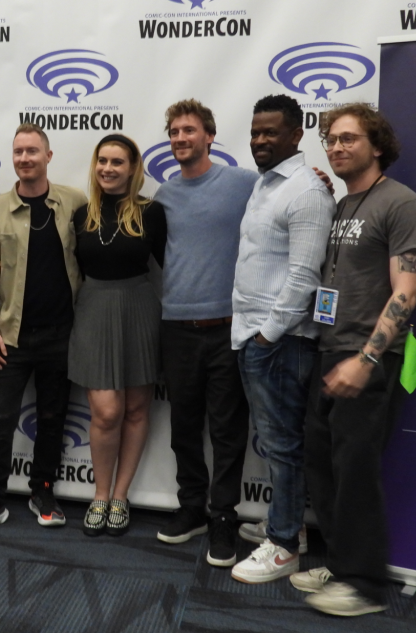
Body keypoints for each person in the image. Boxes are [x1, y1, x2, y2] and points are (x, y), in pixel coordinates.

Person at [294, 104, 416, 617]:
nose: (336, 146)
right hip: (330, 350)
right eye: (330, 139)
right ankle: (340, 562)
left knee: (355, 470)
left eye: (349, 138)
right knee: (323, 465)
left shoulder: (401, 204)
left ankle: (366, 584)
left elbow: (407, 292)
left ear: (378, 146)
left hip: (370, 358)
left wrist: (367, 359)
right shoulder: (344, 204)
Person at [0, 123, 87, 536]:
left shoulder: (75, 203)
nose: (24, 158)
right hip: (9, 336)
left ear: (48, 156)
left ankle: (43, 491)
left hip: (63, 335)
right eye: (18, 152)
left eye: (32, 151)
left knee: (52, 417)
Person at [228, 95, 335, 583]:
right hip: (256, 335)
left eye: (270, 132)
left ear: (296, 134)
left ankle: (285, 545)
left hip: (281, 341)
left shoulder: (306, 191)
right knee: (276, 443)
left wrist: (268, 336)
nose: (259, 141)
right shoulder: (265, 185)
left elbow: (304, 277)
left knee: (283, 444)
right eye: (255, 132)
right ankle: (287, 524)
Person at [152, 99, 257, 567]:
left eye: (188, 130)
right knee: (183, 427)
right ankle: (191, 507)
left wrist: (314, 181)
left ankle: (223, 517)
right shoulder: (163, 196)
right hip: (177, 327)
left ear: (210, 135)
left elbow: (285, 199)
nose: (179, 138)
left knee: (229, 430)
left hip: (229, 328)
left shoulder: (242, 183)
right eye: (173, 131)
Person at [70, 134, 165, 537]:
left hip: (140, 308)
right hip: (93, 309)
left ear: (132, 168)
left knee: (137, 410)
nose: (108, 168)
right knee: (107, 411)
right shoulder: (80, 214)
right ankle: (99, 494)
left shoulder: (152, 212)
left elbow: (174, 264)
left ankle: (120, 497)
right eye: (102, 160)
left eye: (117, 162)